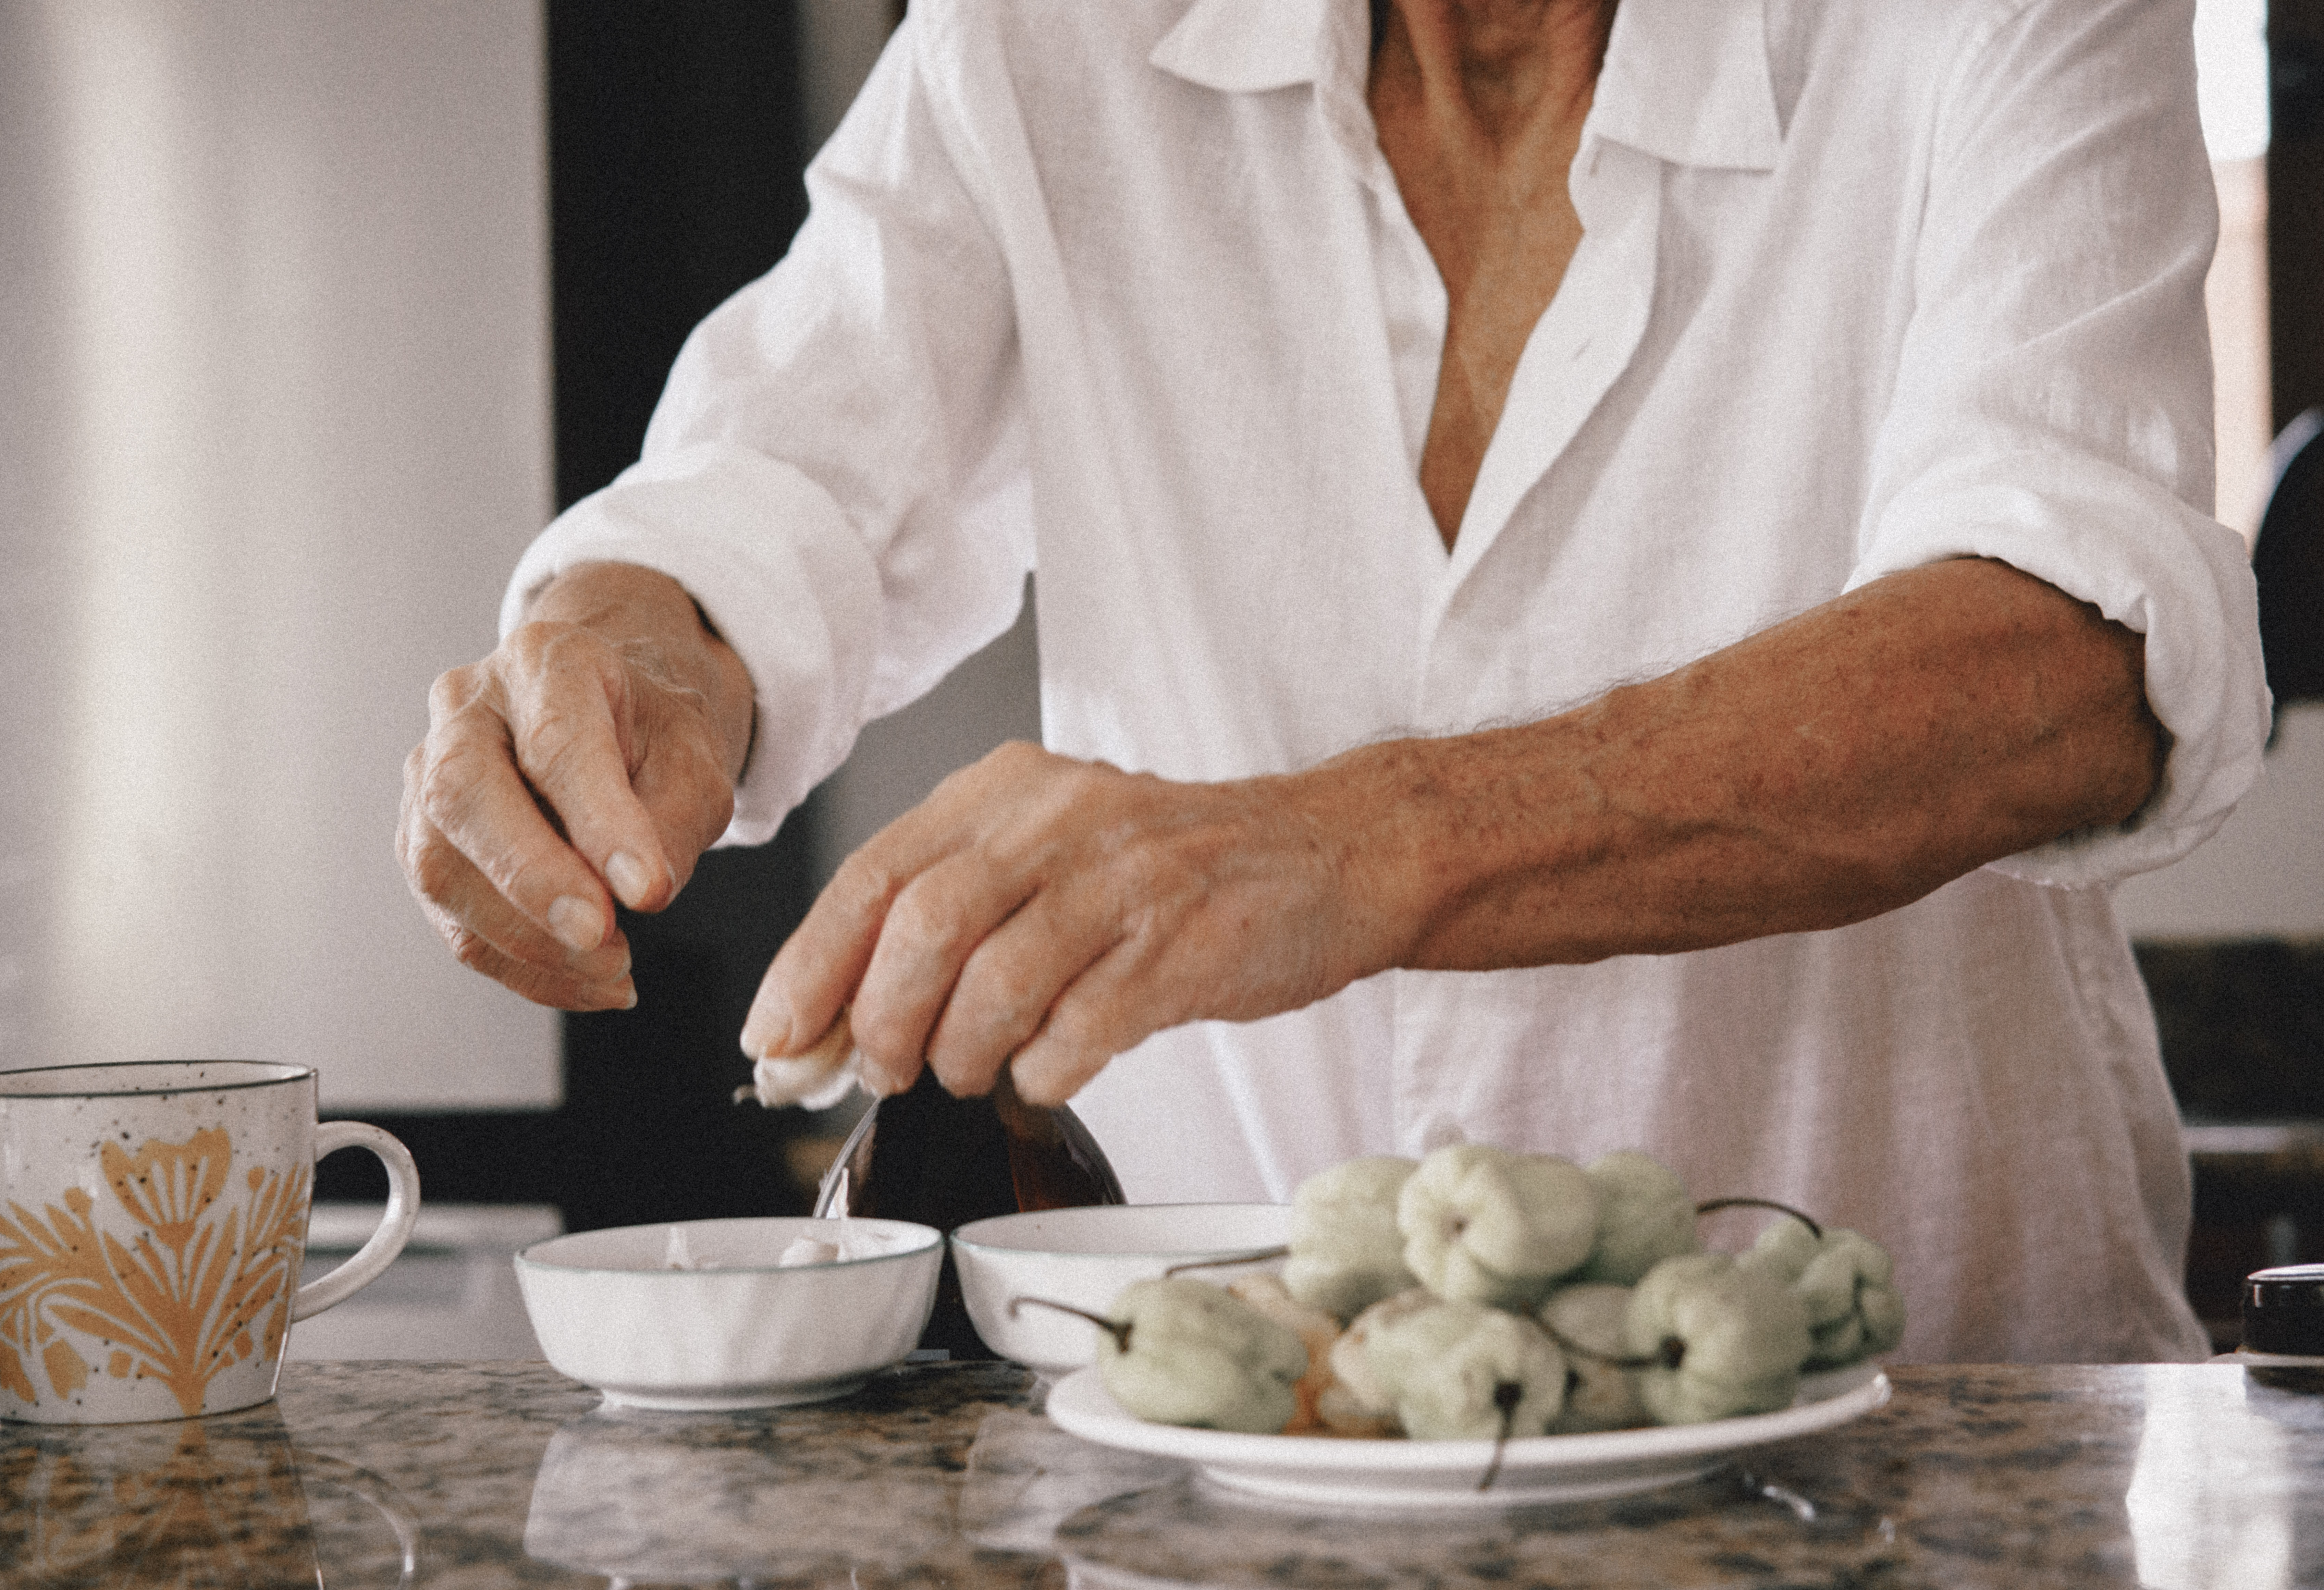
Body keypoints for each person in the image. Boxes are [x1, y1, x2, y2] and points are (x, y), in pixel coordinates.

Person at [399, 0, 2269, 1362]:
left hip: (1933, 1427)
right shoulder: (1043, 46)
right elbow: (776, 491)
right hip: (1254, 1466)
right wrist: (622, 648)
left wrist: (1353, 846)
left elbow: (2067, 658)